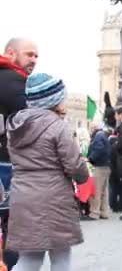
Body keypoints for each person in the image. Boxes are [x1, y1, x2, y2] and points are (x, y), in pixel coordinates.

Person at [6, 73, 89, 271]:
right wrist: (83, 174)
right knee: (61, 257)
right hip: (54, 199)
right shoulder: (58, 126)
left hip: (23, 196)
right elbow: (74, 166)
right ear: (53, 100)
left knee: (29, 259)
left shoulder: (15, 125)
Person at [0, 38, 38, 269]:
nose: (33, 60)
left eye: (36, 56)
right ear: (11, 53)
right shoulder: (15, 82)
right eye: (29, 54)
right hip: (7, 165)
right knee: (12, 227)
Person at [87, 124, 112, 220]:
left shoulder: (98, 136)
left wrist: (90, 159)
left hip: (99, 166)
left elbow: (98, 149)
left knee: (96, 190)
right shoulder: (104, 136)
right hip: (106, 166)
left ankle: (94, 213)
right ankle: (104, 212)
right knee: (104, 191)